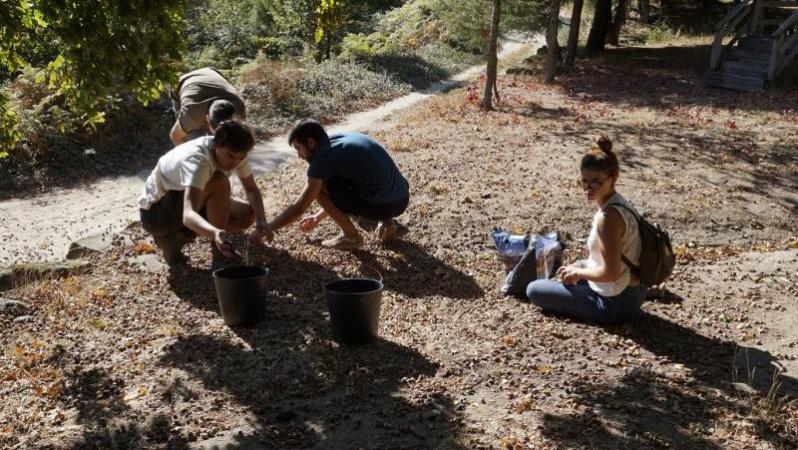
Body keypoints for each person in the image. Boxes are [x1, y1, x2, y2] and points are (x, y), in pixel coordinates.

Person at [526, 136, 646, 324]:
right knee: (571, 268)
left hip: (614, 303)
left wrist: (579, 273)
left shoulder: (608, 219)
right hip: (632, 290)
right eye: (584, 181)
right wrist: (579, 267)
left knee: (534, 289)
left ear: (613, 178)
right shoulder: (621, 203)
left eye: (596, 182)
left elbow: (610, 274)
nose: (588, 189)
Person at [138, 119, 272, 265]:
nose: (235, 163)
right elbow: (188, 215)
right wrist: (215, 232)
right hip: (156, 215)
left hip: (184, 203)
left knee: (247, 214)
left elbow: (251, 189)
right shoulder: (198, 160)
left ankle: (180, 238)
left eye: (241, 158)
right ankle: (216, 251)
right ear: (216, 145)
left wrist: (261, 220)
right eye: (230, 156)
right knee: (219, 182)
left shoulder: (237, 154)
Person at [265, 118, 410, 250]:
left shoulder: (321, 159)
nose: (299, 155)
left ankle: (351, 237)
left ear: (310, 143)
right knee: (366, 179)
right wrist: (317, 217)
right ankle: (387, 222)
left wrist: (268, 227)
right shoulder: (340, 140)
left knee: (319, 188)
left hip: (383, 206)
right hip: (402, 197)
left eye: (298, 149)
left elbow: (299, 208)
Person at [169, 67, 246, 145]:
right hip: (181, 83)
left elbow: (241, 137)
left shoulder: (238, 106)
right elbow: (175, 136)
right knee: (193, 142)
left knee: (225, 140)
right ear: (207, 119)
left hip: (211, 74)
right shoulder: (191, 114)